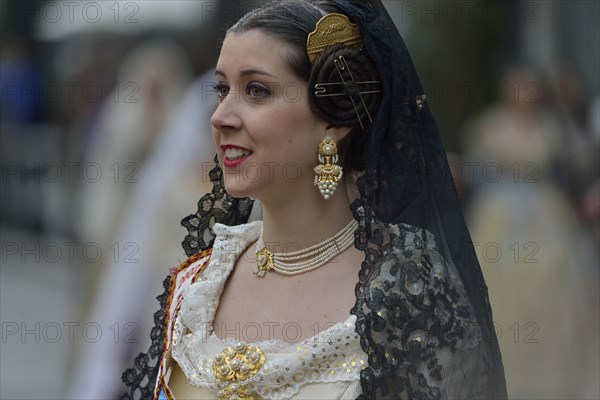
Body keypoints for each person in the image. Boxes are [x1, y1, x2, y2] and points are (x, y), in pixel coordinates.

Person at [122, 0, 507, 398]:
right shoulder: (197, 286)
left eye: (256, 90)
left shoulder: (406, 297)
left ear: (335, 117)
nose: (220, 116)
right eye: (222, 89)